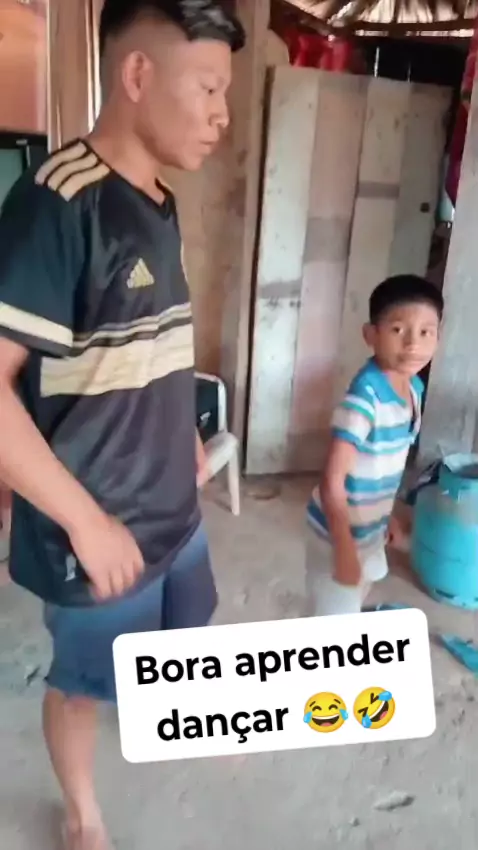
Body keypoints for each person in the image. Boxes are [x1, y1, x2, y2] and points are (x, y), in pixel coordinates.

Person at [0, 1, 245, 848]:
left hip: (175, 507)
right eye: (207, 87)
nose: (221, 113)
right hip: (97, 526)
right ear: (138, 75)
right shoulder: (57, 204)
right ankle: (83, 815)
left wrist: (182, 430)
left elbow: (148, 343)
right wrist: (84, 522)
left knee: (184, 636)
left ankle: (176, 717)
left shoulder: (159, 202)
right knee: (82, 683)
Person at [305, 275, 443, 617]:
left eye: (426, 332)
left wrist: (386, 515)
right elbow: (332, 481)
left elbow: (383, 466)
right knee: (333, 620)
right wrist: (343, 549)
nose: (413, 344)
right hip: (337, 533)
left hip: (370, 526)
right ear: (371, 335)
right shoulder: (364, 400)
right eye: (398, 329)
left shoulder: (413, 389)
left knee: (355, 597)